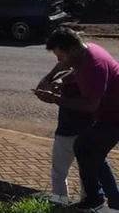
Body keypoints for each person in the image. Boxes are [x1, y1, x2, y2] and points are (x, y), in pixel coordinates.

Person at [35, 28, 119, 211]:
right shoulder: (85, 54)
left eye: (60, 55)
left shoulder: (95, 64)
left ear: (72, 49)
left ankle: (95, 198)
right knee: (94, 155)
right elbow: (76, 72)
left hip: (114, 117)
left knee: (84, 147)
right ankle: (109, 200)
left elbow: (90, 105)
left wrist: (55, 99)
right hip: (109, 115)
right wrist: (60, 81)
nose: (59, 60)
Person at [44, 69, 101, 204]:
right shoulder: (92, 76)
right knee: (87, 175)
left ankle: (60, 204)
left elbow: (44, 86)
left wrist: (56, 71)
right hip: (86, 132)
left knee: (59, 174)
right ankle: (88, 205)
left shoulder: (64, 77)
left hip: (67, 133)